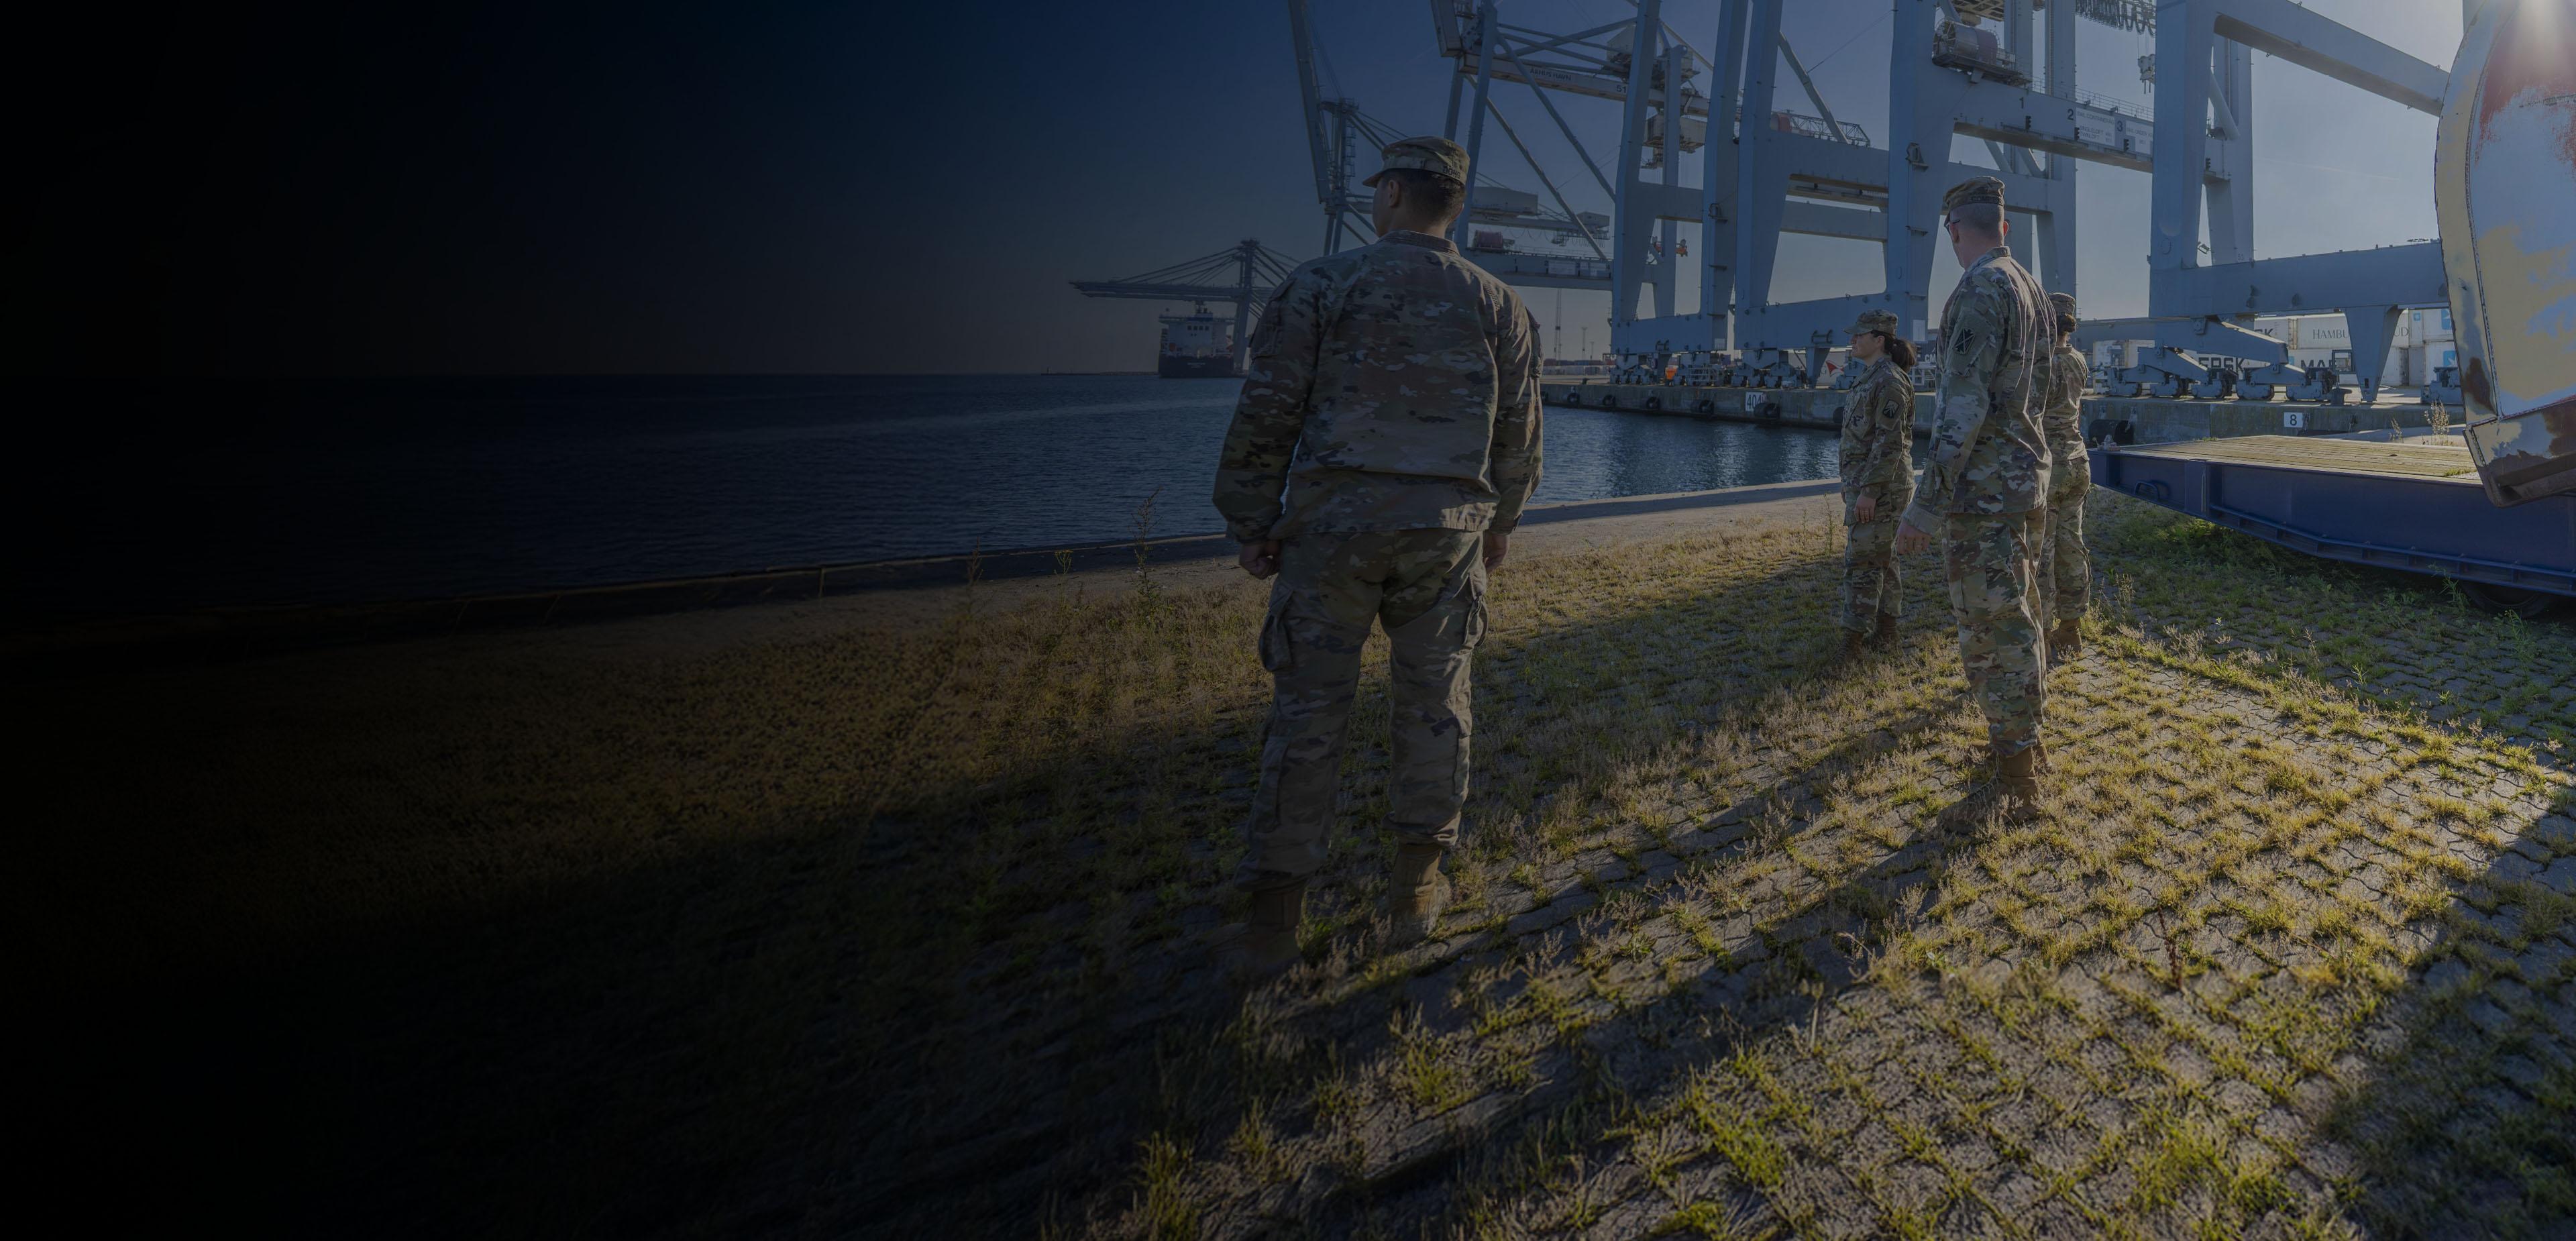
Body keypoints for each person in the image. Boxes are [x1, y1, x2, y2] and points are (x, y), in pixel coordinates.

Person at [1211, 136, 1544, 975]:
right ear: (1454, 203)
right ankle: (1415, 892)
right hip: (1446, 537)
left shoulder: (1321, 284)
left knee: (1308, 715)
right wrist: (1500, 523)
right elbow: (1520, 434)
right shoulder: (1500, 303)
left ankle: (1274, 923)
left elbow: (1267, 411)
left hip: (1333, 533)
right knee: (1436, 705)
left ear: (1392, 192)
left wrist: (1253, 519)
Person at [1892, 176, 2055, 813]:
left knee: (1991, 628)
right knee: (2021, 616)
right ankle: (2027, 742)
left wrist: (1925, 506)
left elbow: (1962, 408)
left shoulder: (1980, 289)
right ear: (2004, 226)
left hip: (1984, 493)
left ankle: (2017, 773)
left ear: (1954, 229)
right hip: (2025, 481)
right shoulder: (2031, 288)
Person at [1836, 309, 1917, 659]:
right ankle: (1887, 633)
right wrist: (1856, 485)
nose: (1853, 340)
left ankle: (1851, 644)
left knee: (1864, 563)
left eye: (1859, 335)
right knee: (1883, 559)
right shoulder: (1871, 377)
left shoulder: (1889, 382)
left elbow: (1889, 444)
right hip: (1870, 484)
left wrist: (1869, 492)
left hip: (1881, 489)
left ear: (1879, 340)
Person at [2039, 291, 2091, 663]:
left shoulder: (2040, 364)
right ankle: (2071, 629)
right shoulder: (2078, 360)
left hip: (2048, 466)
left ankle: (2041, 634)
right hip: (2077, 460)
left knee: (2040, 553)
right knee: (2071, 546)